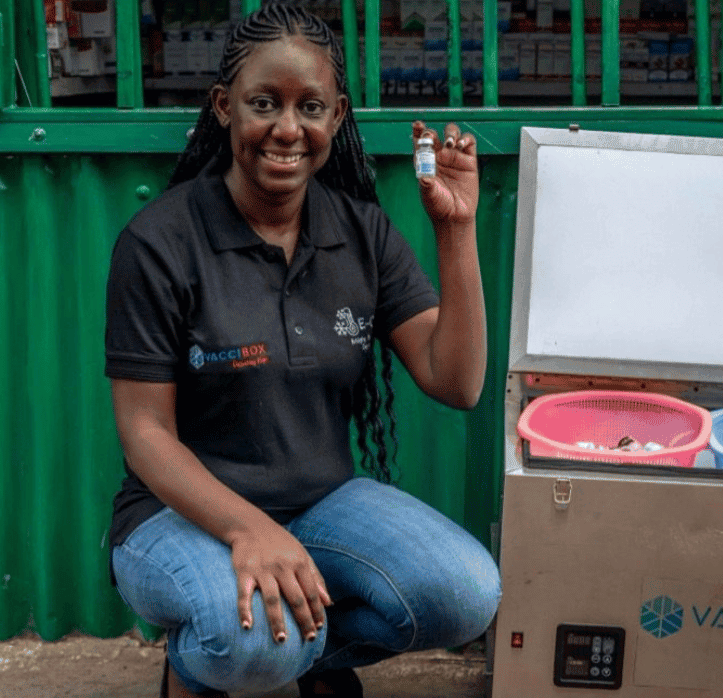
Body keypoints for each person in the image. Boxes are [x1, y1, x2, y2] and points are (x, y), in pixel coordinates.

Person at [102, 5, 500, 697]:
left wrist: (455, 231)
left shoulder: (361, 234)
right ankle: (204, 663)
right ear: (225, 108)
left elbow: (456, 381)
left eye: (309, 106)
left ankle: (310, 651)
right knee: (251, 643)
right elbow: (145, 435)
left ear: (337, 116)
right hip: (178, 518)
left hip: (321, 505)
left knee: (463, 595)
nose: (288, 128)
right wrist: (248, 529)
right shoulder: (160, 243)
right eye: (265, 103)